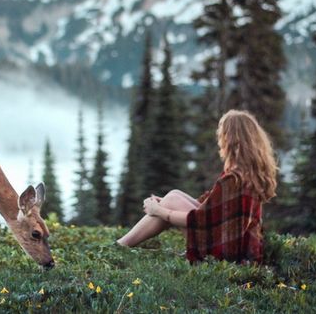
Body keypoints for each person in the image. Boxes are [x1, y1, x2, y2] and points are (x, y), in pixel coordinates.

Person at [117, 110, 278, 264]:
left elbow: (200, 220)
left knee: (172, 200)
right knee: (173, 195)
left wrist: (158, 211)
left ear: (231, 139)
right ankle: (122, 244)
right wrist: (165, 202)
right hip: (240, 247)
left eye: (221, 134)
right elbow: (212, 208)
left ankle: (119, 246)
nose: (219, 139)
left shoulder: (234, 178)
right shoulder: (249, 174)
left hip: (226, 254)